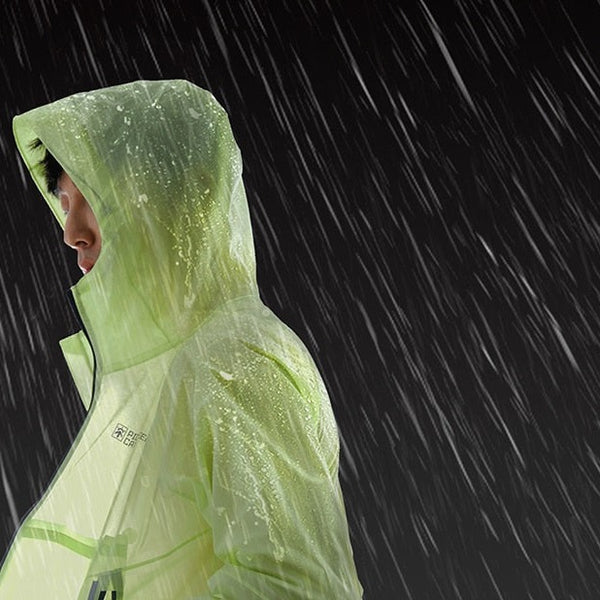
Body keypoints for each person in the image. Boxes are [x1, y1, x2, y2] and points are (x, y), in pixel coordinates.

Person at [0, 80, 364, 599]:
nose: (70, 231)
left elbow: (291, 587)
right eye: (64, 201)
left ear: (170, 195)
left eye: (95, 195)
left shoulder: (237, 360)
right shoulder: (170, 375)